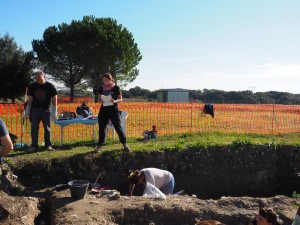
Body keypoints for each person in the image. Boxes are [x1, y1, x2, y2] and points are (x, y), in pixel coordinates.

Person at [95, 73, 130, 152]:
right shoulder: (101, 88)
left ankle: (124, 144)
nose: (104, 82)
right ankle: (100, 145)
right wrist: (102, 100)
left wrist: (114, 101)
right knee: (102, 128)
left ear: (110, 79)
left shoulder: (116, 87)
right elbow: (99, 100)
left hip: (113, 110)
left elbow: (121, 99)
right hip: (103, 110)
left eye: (106, 80)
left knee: (118, 127)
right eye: (103, 80)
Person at [25, 70, 57, 153]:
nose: (37, 79)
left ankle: (48, 145)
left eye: (39, 77)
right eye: (35, 77)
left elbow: (54, 98)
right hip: (35, 110)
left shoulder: (50, 86)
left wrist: (54, 110)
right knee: (34, 128)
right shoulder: (33, 86)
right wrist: (28, 109)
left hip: (46, 110)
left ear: (44, 77)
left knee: (47, 129)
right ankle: (34, 146)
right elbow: (31, 98)